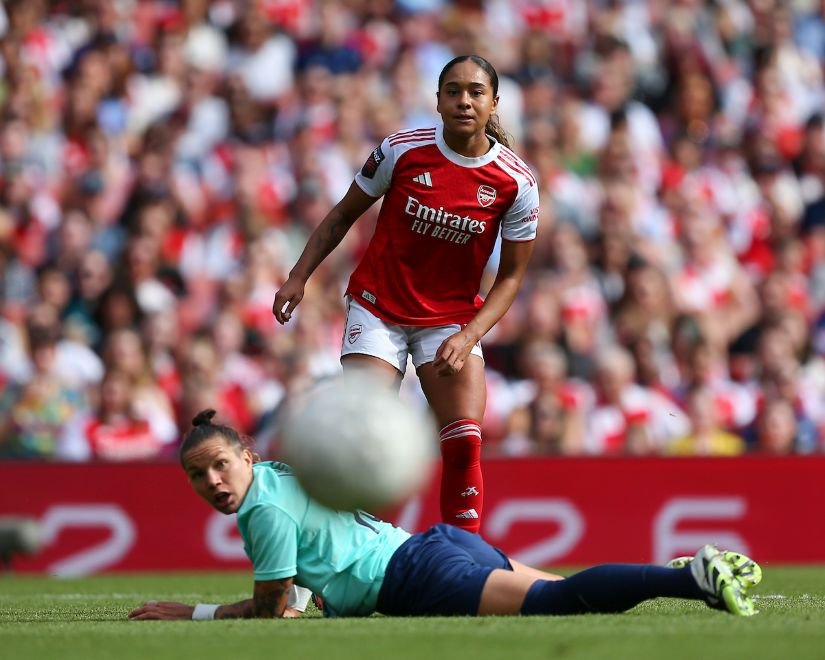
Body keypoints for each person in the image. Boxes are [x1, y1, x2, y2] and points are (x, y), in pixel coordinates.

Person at [128, 411, 760, 621]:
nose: (212, 482)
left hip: (415, 575)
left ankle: (691, 579)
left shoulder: (258, 509)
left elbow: (271, 609)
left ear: (246, 455)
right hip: (435, 542)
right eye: (196, 475)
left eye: (219, 466)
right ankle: (675, 574)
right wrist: (319, 591)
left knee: (561, 602)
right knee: (556, 592)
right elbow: (301, 569)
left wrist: (197, 612)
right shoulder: (278, 476)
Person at [271, 55, 542, 533]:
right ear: (437, 100)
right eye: (453, 91)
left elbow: (512, 278)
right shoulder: (402, 150)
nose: (464, 101)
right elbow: (340, 216)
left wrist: (471, 333)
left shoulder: (516, 182)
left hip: (452, 318)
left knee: (463, 439)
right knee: (358, 438)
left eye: (476, 92)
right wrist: (299, 276)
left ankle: (463, 567)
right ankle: (341, 559)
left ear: (494, 103)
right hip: (379, 307)